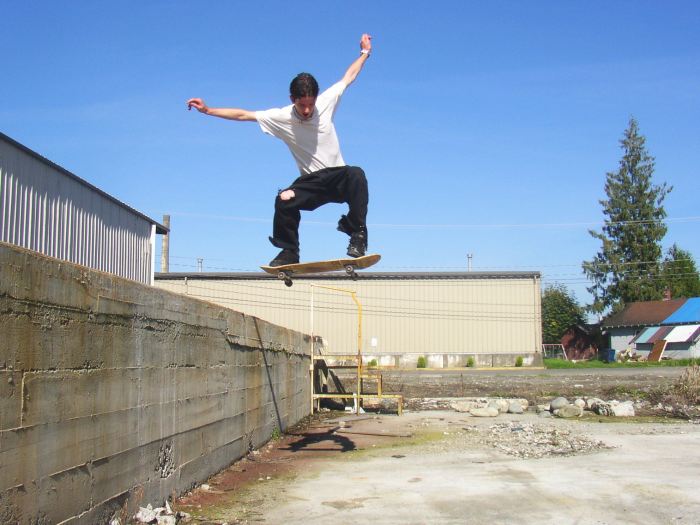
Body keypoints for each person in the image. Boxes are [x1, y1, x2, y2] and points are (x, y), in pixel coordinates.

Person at [187, 34, 373, 267]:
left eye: (310, 104)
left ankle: (357, 233)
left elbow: (349, 76)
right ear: (292, 99)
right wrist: (208, 110)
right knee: (284, 199)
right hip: (312, 183)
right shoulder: (281, 117)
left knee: (356, 174)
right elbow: (244, 115)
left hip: (337, 177)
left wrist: (365, 53)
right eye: (302, 105)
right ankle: (289, 252)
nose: (307, 110)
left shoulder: (326, 101)